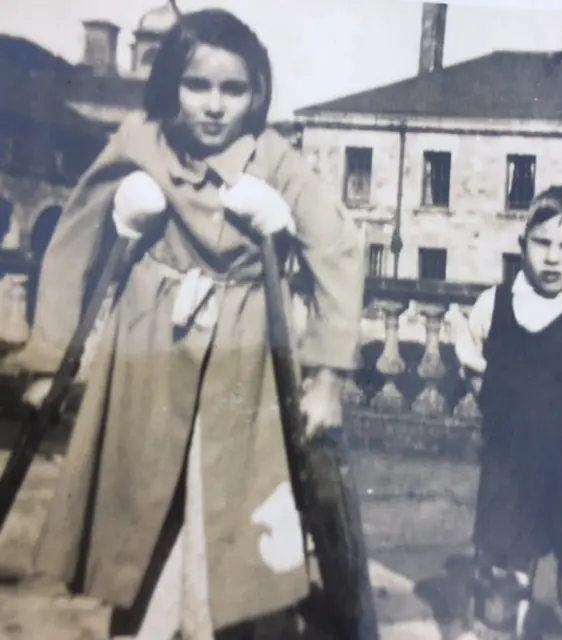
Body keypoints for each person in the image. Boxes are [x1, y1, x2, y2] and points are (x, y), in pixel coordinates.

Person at [7, 9, 365, 640]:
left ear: (257, 94)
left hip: (243, 352)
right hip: (149, 342)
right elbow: (73, 241)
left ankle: (215, 625)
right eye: (197, 85)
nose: (214, 106)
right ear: (169, 82)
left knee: (226, 518)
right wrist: (47, 360)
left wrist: (328, 376)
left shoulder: (272, 156)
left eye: (234, 90)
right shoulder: (141, 138)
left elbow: (335, 248)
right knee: (140, 511)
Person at [444, 185, 562, 640]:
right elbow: (473, 360)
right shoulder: (494, 304)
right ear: (522, 244)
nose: (553, 258)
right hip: (509, 468)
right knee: (499, 587)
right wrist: (489, 399)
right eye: (542, 243)